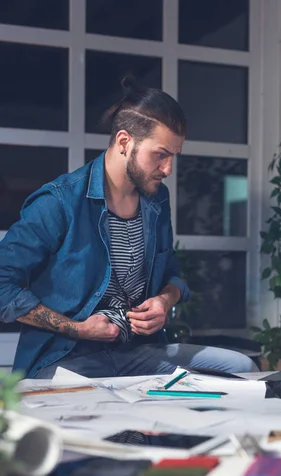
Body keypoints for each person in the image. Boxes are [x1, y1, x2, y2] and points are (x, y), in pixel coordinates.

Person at [0, 77, 258, 379]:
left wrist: (165, 300)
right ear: (125, 142)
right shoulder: (59, 201)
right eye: (160, 154)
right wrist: (79, 329)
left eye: (174, 156)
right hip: (68, 356)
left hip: (136, 351)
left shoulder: (156, 199)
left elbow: (173, 274)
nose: (168, 170)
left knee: (242, 367)